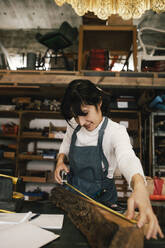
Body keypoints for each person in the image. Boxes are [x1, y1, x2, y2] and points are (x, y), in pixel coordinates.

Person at [54, 79, 164, 240]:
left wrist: (139, 186)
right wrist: (60, 161)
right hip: (74, 200)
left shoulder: (115, 131)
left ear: (98, 102)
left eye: (85, 113)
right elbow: (65, 144)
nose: (82, 122)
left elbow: (127, 157)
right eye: (77, 117)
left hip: (102, 202)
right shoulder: (74, 124)